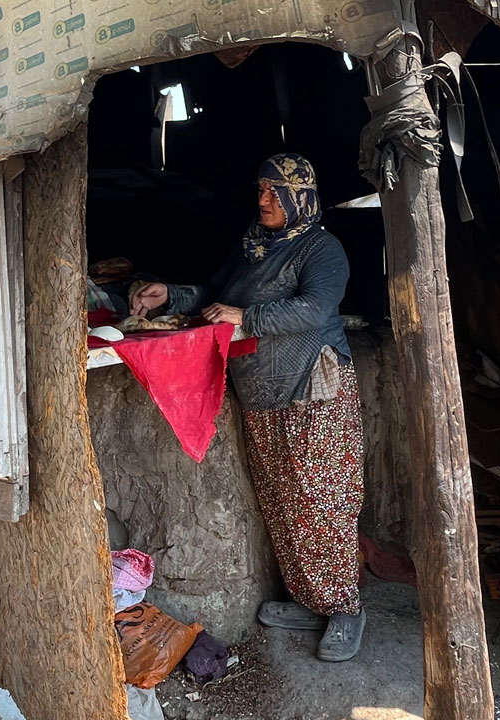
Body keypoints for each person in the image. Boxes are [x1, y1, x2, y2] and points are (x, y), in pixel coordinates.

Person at [129, 154, 367, 662]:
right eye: (260, 189)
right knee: (282, 500)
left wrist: (246, 316)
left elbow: (314, 309)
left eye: (275, 191)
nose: (263, 199)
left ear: (300, 197)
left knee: (322, 500)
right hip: (261, 392)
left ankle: (345, 610)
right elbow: (213, 296)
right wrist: (169, 294)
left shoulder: (320, 248)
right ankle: (311, 602)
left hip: (313, 386)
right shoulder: (253, 247)